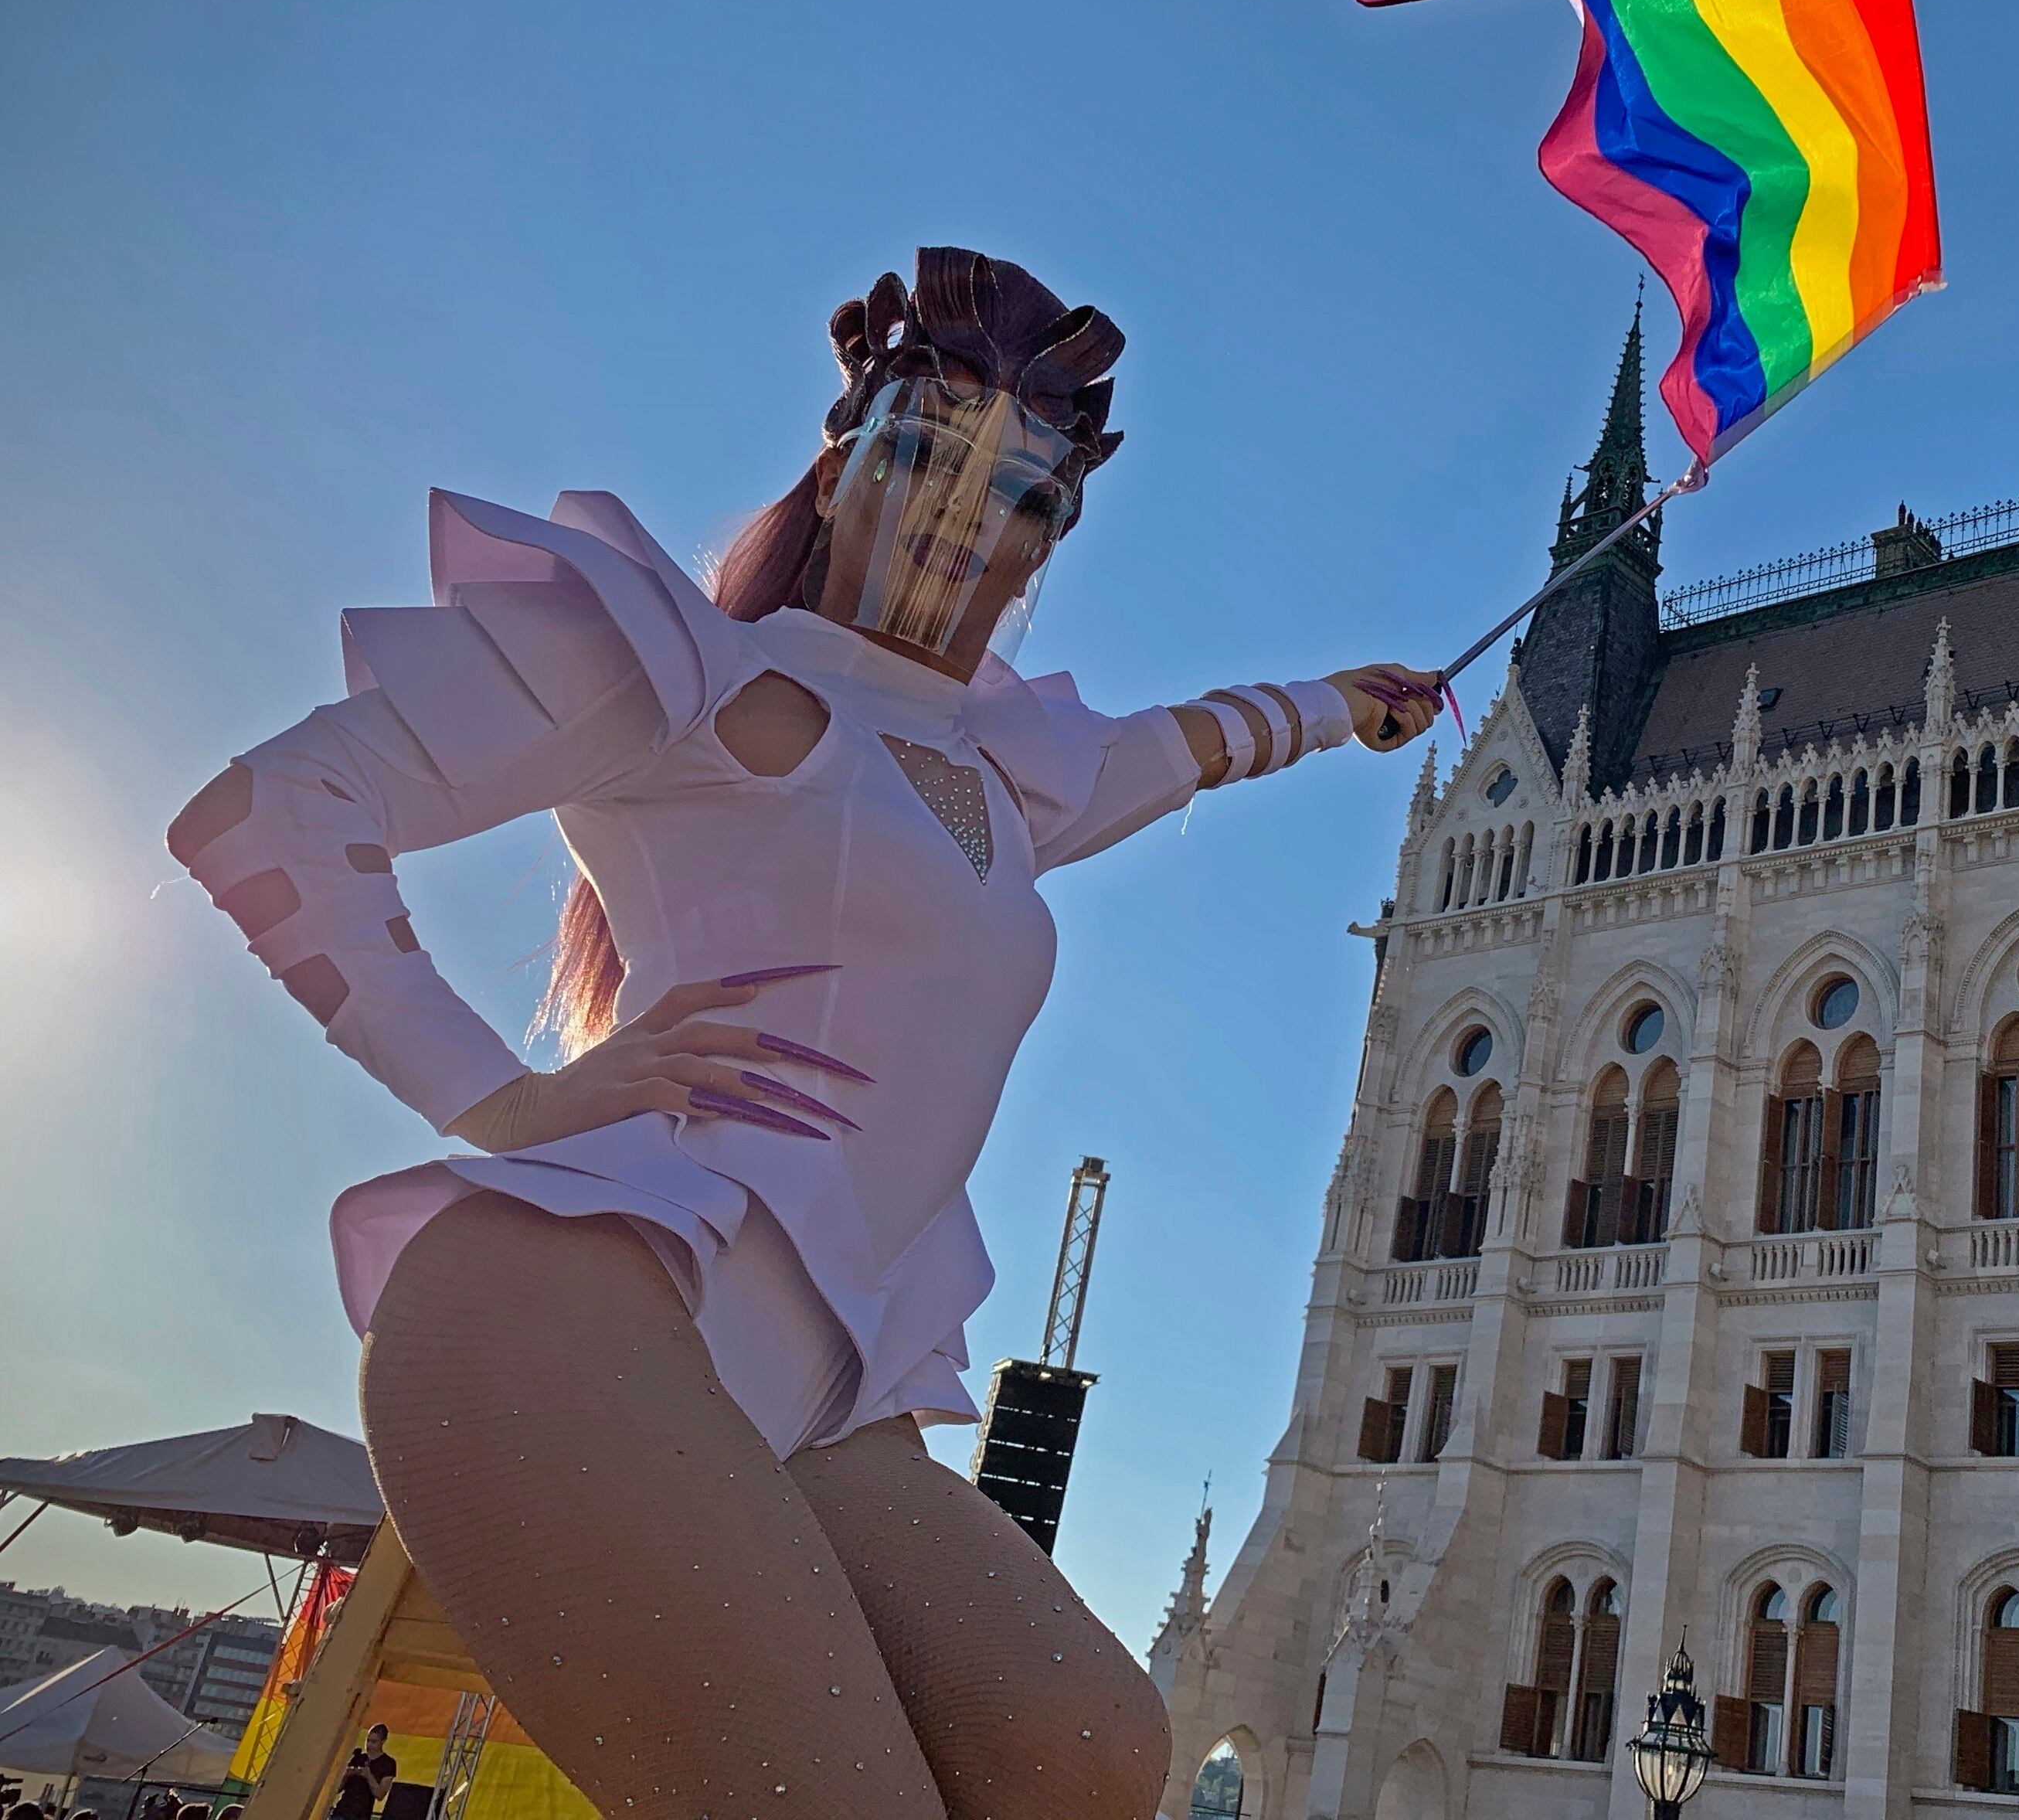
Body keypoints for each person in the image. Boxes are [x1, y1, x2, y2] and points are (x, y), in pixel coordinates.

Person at [171, 250, 1439, 1818]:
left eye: (1028, 496)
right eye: (929, 452)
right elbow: (273, 809)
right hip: (575, 1321)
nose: (974, 515)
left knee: (1084, 1747)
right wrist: (495, 1096)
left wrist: (1350, 699)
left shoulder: (1013, 771)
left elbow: (1198, 740)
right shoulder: (689, 671)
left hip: (825, 1390)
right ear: (839, 467)